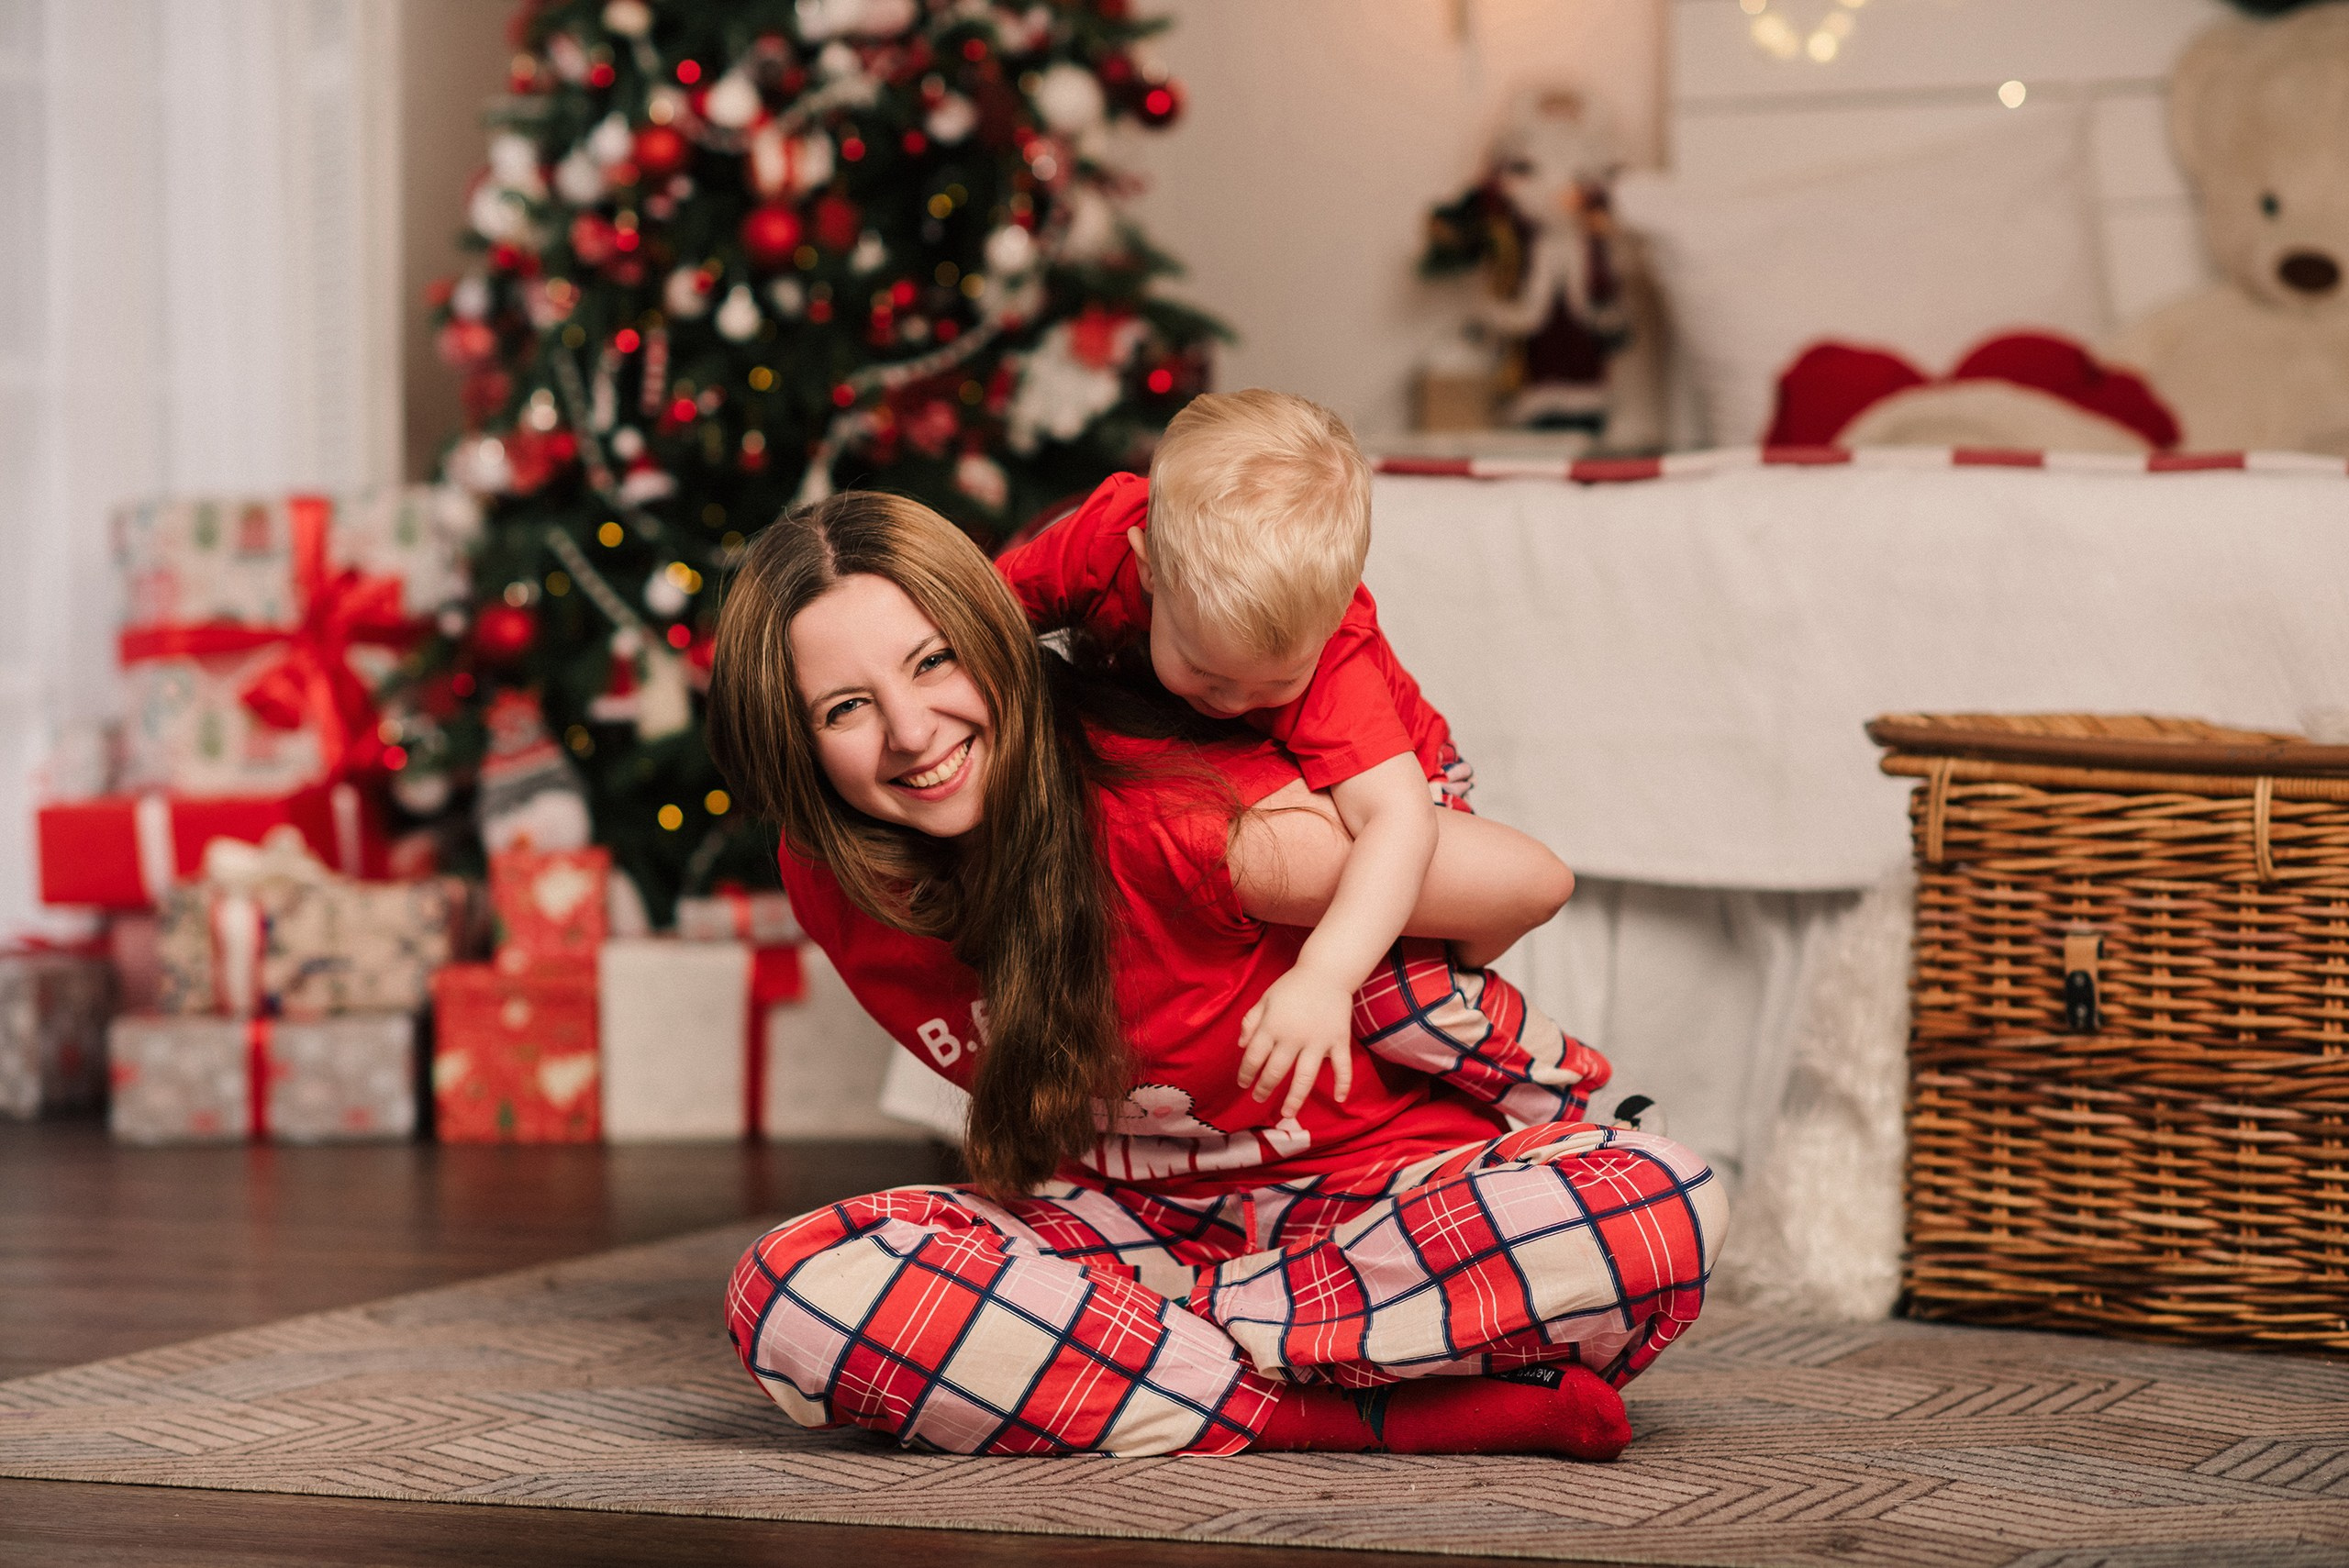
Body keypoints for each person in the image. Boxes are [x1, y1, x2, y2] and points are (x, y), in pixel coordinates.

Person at [706, 490, 1722, 1460]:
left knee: (1656, 1202)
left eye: (935, 660)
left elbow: (1528, 880)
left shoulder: (1176, 826)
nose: (913, 731)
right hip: (1135, 1228)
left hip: (1376, 1209)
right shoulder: (835, 873)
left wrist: (1338, 950)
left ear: (991, 636)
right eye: (845, 706)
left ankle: (1137, 1365)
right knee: (787, 1288)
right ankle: (1347, 1415)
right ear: (796, 740)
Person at [996, 390, 1467, 1123]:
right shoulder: (1101, 539)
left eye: (1276, 682)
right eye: (1206, 672)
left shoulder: (1337, 665)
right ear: (1147, 566)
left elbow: (1400, 824)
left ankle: (1562, 1098)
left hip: (1414, 781)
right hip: (1244, 777)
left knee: (1402, 993)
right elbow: (983, 616)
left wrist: (1325, 976)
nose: (1233, 700)